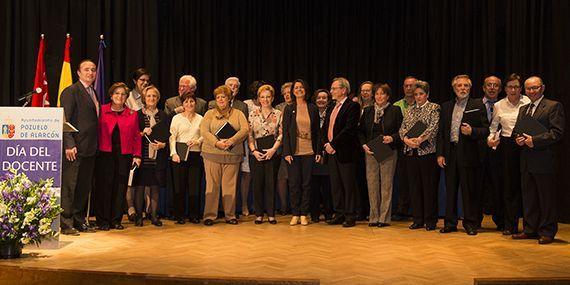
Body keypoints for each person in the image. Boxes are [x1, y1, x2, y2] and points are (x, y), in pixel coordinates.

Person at [512, 76, 565, 245]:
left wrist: (534, 141)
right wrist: (518, 139)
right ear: (524, 90)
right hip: (526, 161)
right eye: (528, 89)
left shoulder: (553, 106)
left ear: (542, 88)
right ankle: (530, 229)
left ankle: (547, 231)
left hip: (545, 160)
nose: (532, 91)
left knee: (546, 198)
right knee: (529, 197)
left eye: (535, 88)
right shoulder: (523, 109)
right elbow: (517, 131)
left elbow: (557, 133)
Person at [437, 75, 489, 235]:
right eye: (459, 86)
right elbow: (441, 134)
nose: (463, 88)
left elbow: (486, 130)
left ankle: (471, 223)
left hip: (469, 153)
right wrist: (440, 154)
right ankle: (450, 223)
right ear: (454, 88)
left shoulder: (478, 104)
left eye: (466, 85)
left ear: (470, 88)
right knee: (450, 189)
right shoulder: (445, 106)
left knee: (469, 190)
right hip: (450, 152)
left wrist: (472, 131)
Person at [60, 59, 100, 235]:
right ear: (78, 72)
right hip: (74, 148)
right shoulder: (71, 91)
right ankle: (66, 223)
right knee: (70, 186)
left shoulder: (93, 92)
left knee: (83, 187)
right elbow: (65, 120)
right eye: (86, 69)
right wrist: (69, 144)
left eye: (93, 70)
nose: (90, 73)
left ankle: (78, 220)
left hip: (90, 148)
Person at [487, 73, 530, 235]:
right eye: (510, 87)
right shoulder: (499, 105)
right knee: (509, 187)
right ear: (505, 89)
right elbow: (493, 128)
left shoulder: (527, 101)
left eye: (516, 87)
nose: (513, 90)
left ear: (521, 89)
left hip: (526, 144)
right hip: (507, 147)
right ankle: (510, 225)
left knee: (527, 186)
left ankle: (530, 226)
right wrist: (490, 140)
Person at [95, 82, 142, 231]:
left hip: (124, 155)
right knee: (104, 187)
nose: (119, 96)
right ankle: (102, 220)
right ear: (111, 95)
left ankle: (116, 220)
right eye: (116, 93)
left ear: (126, 97)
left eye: (123, 94)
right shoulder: (101, 110)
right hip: (104, 154)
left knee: (120, 188)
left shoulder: (132, 114)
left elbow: (136, 136)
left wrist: (137, 155)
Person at [200, 85, 249, 226]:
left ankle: (230, 215)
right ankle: (209, 216)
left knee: (230, 186)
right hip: (211, 154)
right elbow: (204, 131)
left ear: (229, 99)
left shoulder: (238, 113)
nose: (221, 99)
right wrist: (217, 143)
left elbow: (245, 129)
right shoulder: (209, 114)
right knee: (212, 186)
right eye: (218, 97)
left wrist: (231, 141)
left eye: (224, 97)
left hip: (232, 155)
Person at [358, 83, 403, 227]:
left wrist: (393, 138)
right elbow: (360, 131)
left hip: (388, 149)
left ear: (388, 96)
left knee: (386, 184)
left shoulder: (395, 110)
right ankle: (373, 216)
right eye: (376, 94)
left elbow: (402, 131)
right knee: (372, 184)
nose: (379, 96)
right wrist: (363, 144)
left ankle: (384, 218)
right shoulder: (368, 110)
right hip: (371, 150)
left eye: (382, 94)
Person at [399, 81, 440, 231]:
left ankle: (430, 220)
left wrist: (419, 139)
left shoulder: (434, 107)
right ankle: (417, 219)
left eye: (421, 94)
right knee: (414, 187)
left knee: (428, 187)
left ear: (427, 94)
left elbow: (433, 127)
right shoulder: (409, 109)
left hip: (427, 152)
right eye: (416, 94)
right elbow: (402, 128)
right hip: (410, 152)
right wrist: (406, 140)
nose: (418, 97)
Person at [322, 77, 361, 227]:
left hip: (345, 152)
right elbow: (325, 127)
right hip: (331, 151)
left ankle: (350, 215)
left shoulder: (353, 106)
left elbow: (349, 129)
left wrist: (334, 144)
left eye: (334, 88)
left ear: (344, 90)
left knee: (348, 185)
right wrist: (326, 144)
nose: (331, 91)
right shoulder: (332, 107)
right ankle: (339, 213)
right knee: (336, 185)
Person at [282, 79, 321, 226]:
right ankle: (295, 213)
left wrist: (318, 151)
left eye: (301, 87)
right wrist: (286, 152)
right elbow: (285, 132)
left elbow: (317, 132)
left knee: (307, 184)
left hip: (309, 152)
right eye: (296, 88)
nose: (299, 90)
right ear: (292, 91)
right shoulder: (289, 108)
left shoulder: (312, 108)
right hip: (293, 153)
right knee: (294, 184)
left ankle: (304, 213)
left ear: (305, 90)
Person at [247, 84, 282, 224]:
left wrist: (273, 149)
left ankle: (271, 213)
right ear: (258, 98)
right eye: (262, 97)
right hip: (256, 152)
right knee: (257, 184)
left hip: (273, 151)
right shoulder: (252, 113)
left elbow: (281, 133)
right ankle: (259, 214)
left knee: (270, 183)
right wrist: (254, 151)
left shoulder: (278, 113)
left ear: (272, 98)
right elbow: (249, 135)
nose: (265, 99)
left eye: (268, 97)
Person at [134, 85, 168, 227]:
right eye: (148, 96)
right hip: (142, 156)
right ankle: (138, 217)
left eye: (154, 96)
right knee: (140, 187)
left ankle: (154, 216)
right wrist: (142, 133)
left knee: (155, 187)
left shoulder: (163, 115)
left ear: (158, 98)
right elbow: (132, 135)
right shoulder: (137, 114)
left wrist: (163, 145)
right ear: (144, 98)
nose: (151, 98)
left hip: (158, 157)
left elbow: (167, 136)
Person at [170, 93, 204, 225]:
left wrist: (197, 141)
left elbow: (204, 135)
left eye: (192, 102)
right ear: (182, 104)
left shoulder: (201, 118)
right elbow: (172, 137)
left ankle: (194, 215)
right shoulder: (176, 118)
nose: (189, 104)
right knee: (179, 186)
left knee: (194, 186)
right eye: (186, 102)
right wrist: (173, 153)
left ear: (195, 103)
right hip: (180, 155)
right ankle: (180, 215)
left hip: (195, 155)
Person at [125, 68, 151, 222]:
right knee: (131, 177)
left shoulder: (150, 95)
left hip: (147, 144)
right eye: (142, 80)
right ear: (135, 81)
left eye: (147, 80)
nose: (145, 83)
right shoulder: (127, 97)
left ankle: (146, 208)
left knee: (144, 178)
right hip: (132, 141)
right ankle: (130, 208)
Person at [479, 76, 504, 231]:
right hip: (479, 152)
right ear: (483, 87)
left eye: (496, 85)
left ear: (500, 89)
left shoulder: (504, 105)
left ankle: (501, 221)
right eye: (489, 85)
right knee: (478, 188)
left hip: (499, 153)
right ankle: (475, 221)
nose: (492, 88)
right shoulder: (475, 104)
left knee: (499, 187)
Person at [392, 76, 418, 220]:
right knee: (402, 180)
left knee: (416, 180)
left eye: (412, 85)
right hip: (400, 147)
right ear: (403, 88)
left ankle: (417, 210)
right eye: (406, 86)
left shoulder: (422, 104)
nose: (409, 88)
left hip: (418, 146)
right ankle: (402, 209)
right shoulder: (396, 105)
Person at [310, 89, 334, 223]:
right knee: (313, 186)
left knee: (328, 185)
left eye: (324, 98)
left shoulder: (332, 113)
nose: (321, 100)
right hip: (312, 153)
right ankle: (314, 214)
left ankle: (329, 213)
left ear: (328, 100)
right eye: (319, 97)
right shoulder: (311, 112)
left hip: (329, 152)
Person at [275, 82, 293, 215]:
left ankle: (296, 206)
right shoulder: (278, 108)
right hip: (281, 147)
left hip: (298, 146)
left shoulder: (302, 106)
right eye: (284, 94)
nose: (287, 95)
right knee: (282, 177)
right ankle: (283, 206)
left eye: (289, 93)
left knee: (296, 178)